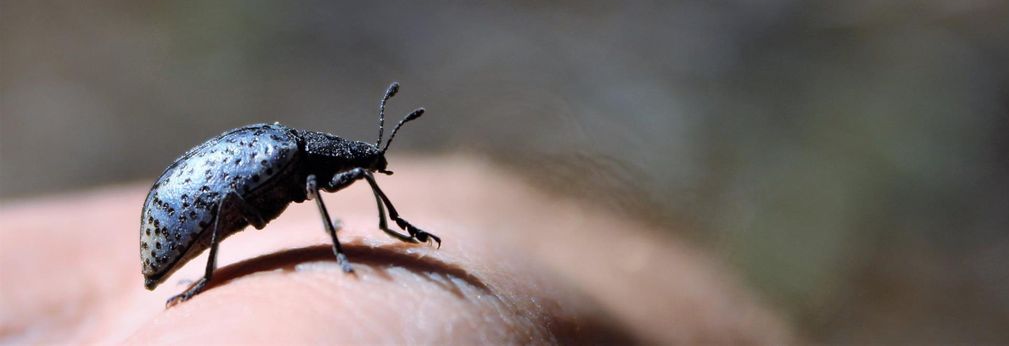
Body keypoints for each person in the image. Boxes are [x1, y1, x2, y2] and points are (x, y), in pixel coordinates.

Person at [0, 156, 790, 344]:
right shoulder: (289, 164)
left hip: (183, 205)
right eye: (365, 161)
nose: (369, 168)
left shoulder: (308, 167)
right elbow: (228, 201)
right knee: (235, 216)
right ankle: (196, 275)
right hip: (182, 211)